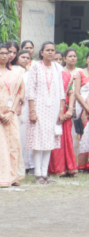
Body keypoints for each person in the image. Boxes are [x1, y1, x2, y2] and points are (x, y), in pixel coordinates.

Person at [25, 42, 66, 185]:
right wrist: (32, 111)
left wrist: (61, 111)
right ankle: (37, 174)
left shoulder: (57, 68)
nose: (50, 52)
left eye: (52, 50)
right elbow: (30, 90)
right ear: (41, 52)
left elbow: (61, 91)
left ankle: (45, 173)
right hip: (38, 108)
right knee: (38, 141)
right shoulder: (35, 66)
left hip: (52, 110)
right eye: (47, 50)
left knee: (49, 141)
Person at [48, 48, 79, 177]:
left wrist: (70, 110)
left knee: (67, 138)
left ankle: (70, 167)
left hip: (65, 110)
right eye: (55, 59)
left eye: (60, 59)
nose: (58, 61)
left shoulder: (67, 75)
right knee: (56, 138)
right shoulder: (48, 75)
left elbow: (71, 93)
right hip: (51, 109)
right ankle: (57, 168)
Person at [0, 44, 24, 187]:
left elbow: (19, 94)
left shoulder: (15, 73)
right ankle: (3, 177)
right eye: (1, 53)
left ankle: (13, 176)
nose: (5, 55)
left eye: (6, 53)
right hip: (0, 115)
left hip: (11, 114)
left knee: (14, 143)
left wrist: (12, 112)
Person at [15, 49, 33, 178]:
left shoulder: (32, 72)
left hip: (30, 106)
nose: (25, 60)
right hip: (17, 105)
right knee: (18, 134)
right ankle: (18, 164)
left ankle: (29, 164)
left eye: (28, 58)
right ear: (17, 58)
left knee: (28, 135)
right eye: (23, 57)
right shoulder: (14, 71)